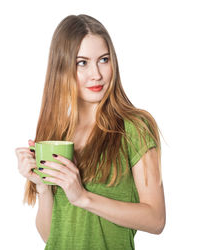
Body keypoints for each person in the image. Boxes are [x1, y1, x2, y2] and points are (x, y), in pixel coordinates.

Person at [15, 14, 166, 250]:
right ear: (62, 68)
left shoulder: (135, 127)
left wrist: (83, 197)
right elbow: (50, 236)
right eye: (82, 62)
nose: (96, 74)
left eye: (103, 60)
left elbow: (156, 220)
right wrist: (42, 186)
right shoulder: (57, 135)